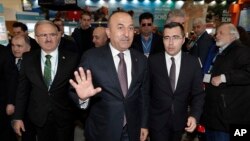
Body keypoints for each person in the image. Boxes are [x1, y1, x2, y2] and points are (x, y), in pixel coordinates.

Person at [69, 11, 150, 141]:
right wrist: (82, 99)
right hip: (101, 130)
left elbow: (144, 95)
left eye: (130, 28)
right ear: (108, 32)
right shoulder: (91, 57)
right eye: (120, 27)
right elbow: (75, 90)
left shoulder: (141, 60)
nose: (126, 33)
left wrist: (144, 125)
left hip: (132, 130)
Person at [13, 20, 79, 141]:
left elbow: (77, 89)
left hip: (64, 117)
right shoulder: (28, 59)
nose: (48, 39)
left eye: (52, 34)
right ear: (36, 38)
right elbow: (22, 90)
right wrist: (18, 117)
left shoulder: (72, 58)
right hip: (39, 117)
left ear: (58, 36)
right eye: (43, 35)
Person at [148, 22, 205, 141]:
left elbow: (198, 94)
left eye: (175, 37)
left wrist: (194, 116)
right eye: (167, 38)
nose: (170, 43)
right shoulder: (153, 61)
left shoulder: (193, 63)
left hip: (180, 122)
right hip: (156, 123)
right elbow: (145, 93)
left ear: (183, 39)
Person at [202, 23, 250, 141]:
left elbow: (247, 73)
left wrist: (224, 77)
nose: (216, 35)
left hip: (229, 118)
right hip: (214, 116)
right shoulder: (220, 51)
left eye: (221, 33)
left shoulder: (242, 51)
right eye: (216, 33)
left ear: (233, 36)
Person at [11, 35, 37, 141]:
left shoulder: (35, 63)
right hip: (13, 108)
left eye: (19, 46)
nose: (15, 49)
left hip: (33, 108)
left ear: (28, 47)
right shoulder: (7, 61)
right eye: (13, 45)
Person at [0, 44, 18, 141]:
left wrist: (11, 102)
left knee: (4, 132)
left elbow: (12, 80)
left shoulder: (4, 52)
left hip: (2, 102)